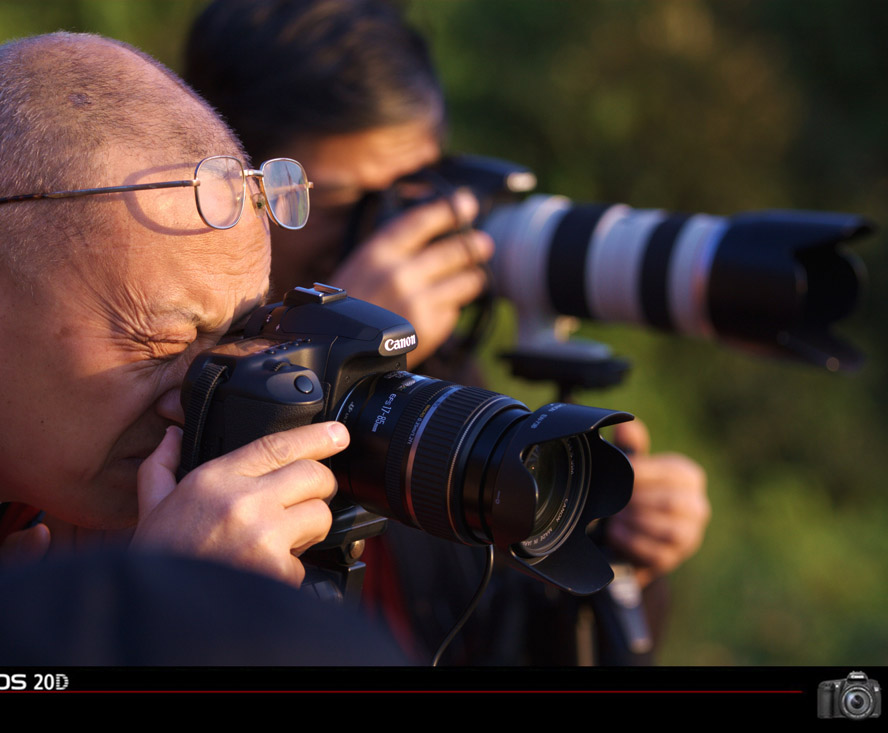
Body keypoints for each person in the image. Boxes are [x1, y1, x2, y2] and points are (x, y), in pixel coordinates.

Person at [184, 0, 710, 663]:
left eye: (408, 199)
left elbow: (497, 637)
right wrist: (337, 336)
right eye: (342, 203)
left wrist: (608, 550)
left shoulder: (429, 377)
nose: (384, 236)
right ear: (232, 184)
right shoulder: (155, 386)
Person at [0, 31, 362, 659]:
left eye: (238, 338)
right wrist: (148, 621)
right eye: (162, 345)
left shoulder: (31, 453)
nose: (195, 400)